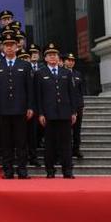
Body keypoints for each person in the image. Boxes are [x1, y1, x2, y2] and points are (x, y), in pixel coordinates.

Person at [0, 31, 34, 179]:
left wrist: (30, 107)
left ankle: (22, 170)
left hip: (20, 109)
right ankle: (8, 171)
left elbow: (30, 89)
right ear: (2, 48)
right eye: (6, 45)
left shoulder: (25, 65)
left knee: (21, 142)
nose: (9, 48)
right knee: (6, 142)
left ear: (17, 47)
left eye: (12, 45)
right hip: (2, 110)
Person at [35, 44, 78, 178]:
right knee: (50, 145)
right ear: (45, 58)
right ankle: (50, 170)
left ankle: (67, 170)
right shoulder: (40, 73)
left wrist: (73, 111)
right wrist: (41, 113)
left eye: (55, 55)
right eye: (50, 55)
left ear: (58, 58)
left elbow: (72, 94)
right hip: (49, 114)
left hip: (65, 113)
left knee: (66, 144)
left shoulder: (66, 72)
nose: (53, 57)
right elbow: (38, 96)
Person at [64, 53, 85, 159]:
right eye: (68, 60)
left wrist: (81, 105)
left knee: (77, 129)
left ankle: (76, 149)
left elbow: (81, 91)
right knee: (67, 130)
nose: (71, 62)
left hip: (77, 105)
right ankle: (66, 151)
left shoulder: (78, 74)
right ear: (64, 61)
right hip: (66, 106)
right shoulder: (62, 73)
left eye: (72, 60)